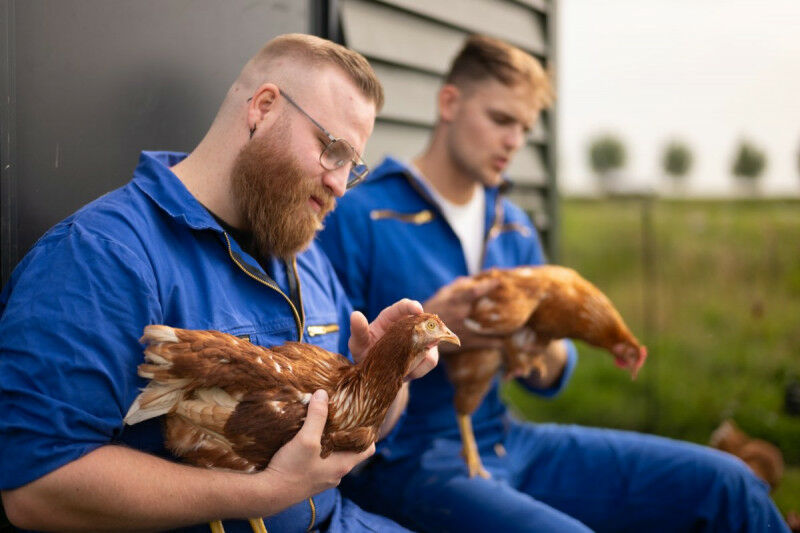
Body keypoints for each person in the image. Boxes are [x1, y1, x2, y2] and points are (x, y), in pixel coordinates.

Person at [318, 34, 789, 532]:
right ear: (449, 102)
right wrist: (420, 330)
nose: (514, 142)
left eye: (524, 127)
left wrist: (538, 346)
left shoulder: (514, 224)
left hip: (507, 438)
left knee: (729, 483)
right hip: (408, 458)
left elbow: (553, 376)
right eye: (501, 119)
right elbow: (323, 365)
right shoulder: (361, 214)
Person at [0, 34, 438, 532]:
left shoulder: (303, 254)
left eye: (352, 168)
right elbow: (37, 486)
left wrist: (381, 375)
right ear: (264, 109)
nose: (339, 183)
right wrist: (262, 494)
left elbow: (364, 429)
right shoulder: (104, 254)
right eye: (332, 149)